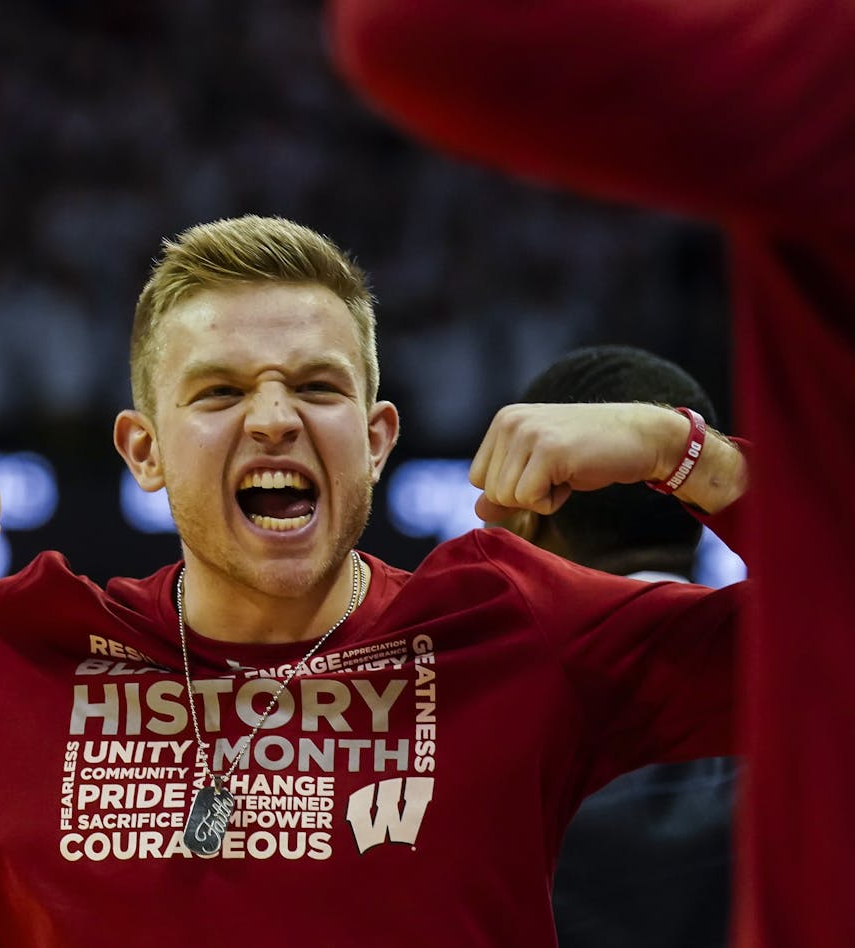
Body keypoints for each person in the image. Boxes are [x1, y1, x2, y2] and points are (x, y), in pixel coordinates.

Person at [0, 216, 752, 946]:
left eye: (316, 385)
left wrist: (689, 457)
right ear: (141, 452)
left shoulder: (521, 630)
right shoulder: (12, 648)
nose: (271, 417)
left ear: (378, 435)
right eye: (215, 394)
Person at [325, 5, 855, 944]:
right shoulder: (787, 664)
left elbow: (402, 27)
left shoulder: (420, 755)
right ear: (692, 518)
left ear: (520, 531)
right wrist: (688, 452)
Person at [493, 344, 738, 948]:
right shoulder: (813, 701)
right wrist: (680, 455)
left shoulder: (467, 736)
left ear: (525, 518)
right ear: (701, 511)